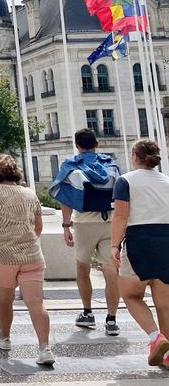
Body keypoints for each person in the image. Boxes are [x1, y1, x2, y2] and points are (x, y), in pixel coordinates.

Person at [0, 154, 54, 366]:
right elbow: (38, 227)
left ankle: (4, 338)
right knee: (36, 302)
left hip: (2, 256)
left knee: (4, 299)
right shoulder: (29, 194)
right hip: (31, 255)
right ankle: (45, 348)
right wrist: (26, 241)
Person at [49, 128, 121, 334]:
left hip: (84, 222)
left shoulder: (71, 165)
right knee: (110, 270)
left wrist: (65, 226)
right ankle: (111, 319)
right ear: (96, 144)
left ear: (77, 146)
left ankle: (88, 312)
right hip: (110, 220)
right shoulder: (111, 164)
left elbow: (65, 198)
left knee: (82, 267)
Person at [110, 138, 169, 367]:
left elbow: (121, 216)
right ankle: (167, 356)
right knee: (164, 304)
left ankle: (156, 338)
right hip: (166, 239)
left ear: (134, 156)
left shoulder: (125, 181)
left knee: (131, 295)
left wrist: (115, 244)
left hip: (139, 240)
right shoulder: (167, 181)